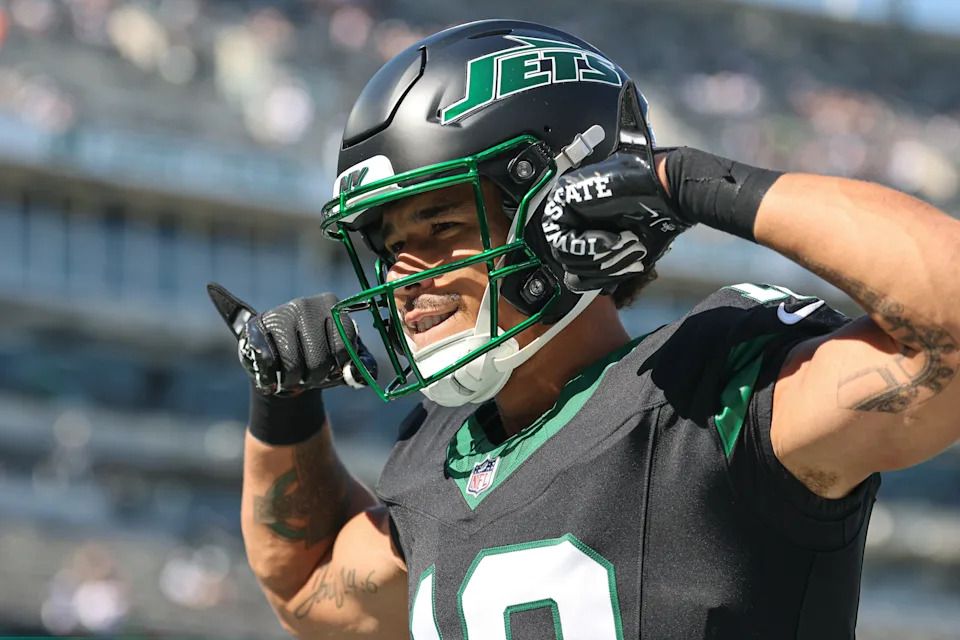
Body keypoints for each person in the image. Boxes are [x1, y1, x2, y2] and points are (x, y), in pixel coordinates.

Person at [207, 19, 960, 639]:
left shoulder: (708, 395)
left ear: (565, 200)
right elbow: (307, 590)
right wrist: (284, 401)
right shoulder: (435, 457)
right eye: (388, 245)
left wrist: (684, 183)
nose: (408, 275)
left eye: (439, 224)